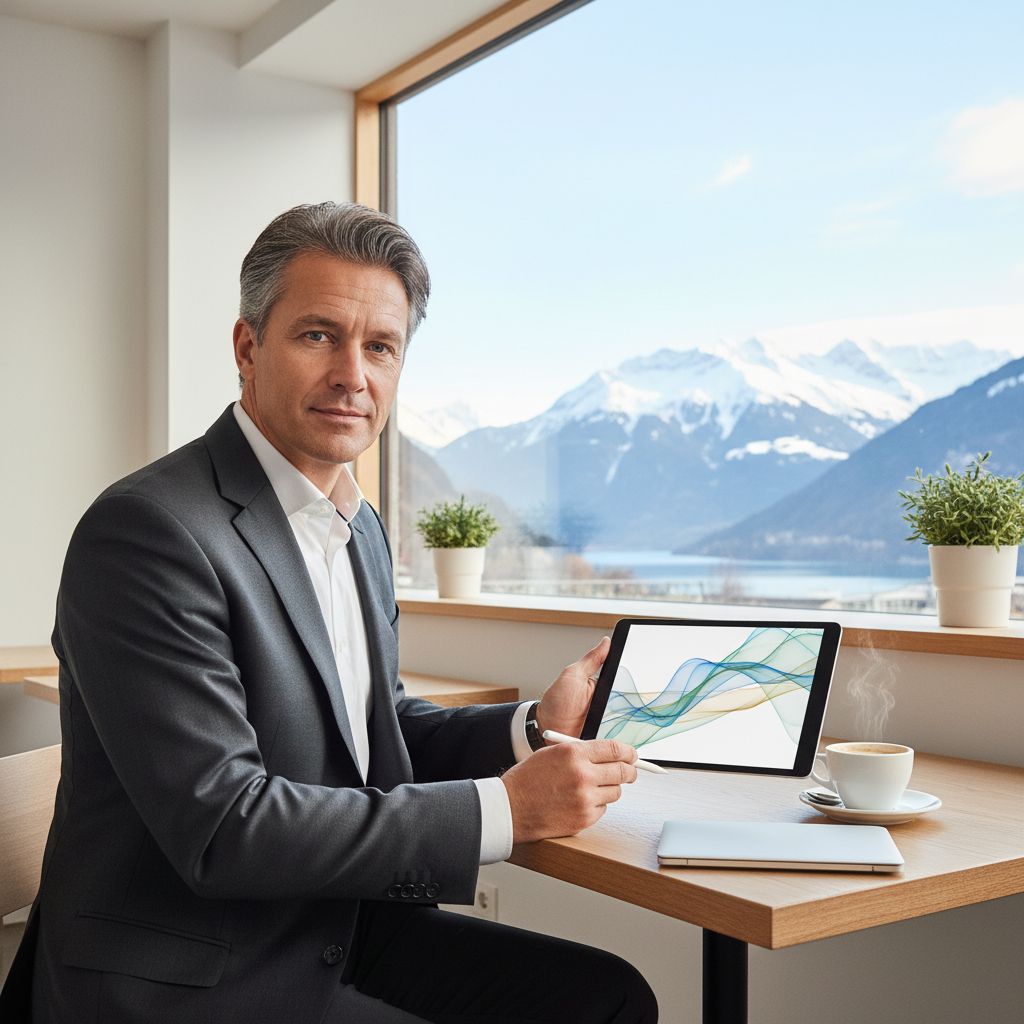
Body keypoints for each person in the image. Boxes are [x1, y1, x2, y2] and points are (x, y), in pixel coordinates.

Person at [1, 202, 658, 1023]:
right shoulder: (147, 532)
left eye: (381, 346)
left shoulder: (356, 526)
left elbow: (375, 731)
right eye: (319, 335)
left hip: (328, 926)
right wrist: (506, 809)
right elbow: (225, 827)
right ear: (248, 348)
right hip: (189, 977)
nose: (354, 374)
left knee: (610, 999)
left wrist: (531, 729)